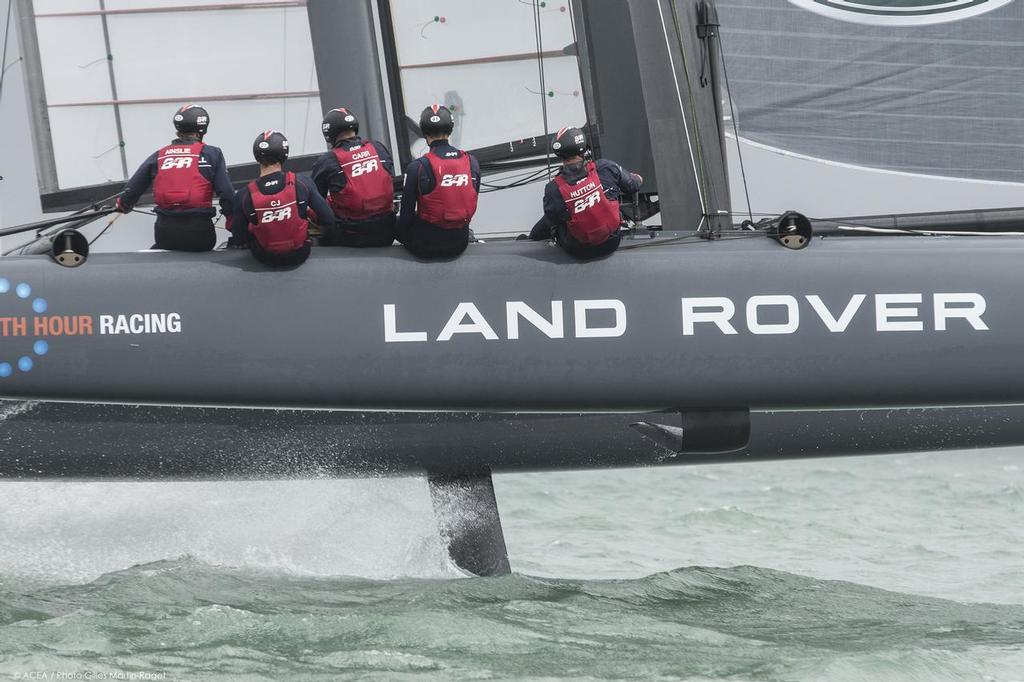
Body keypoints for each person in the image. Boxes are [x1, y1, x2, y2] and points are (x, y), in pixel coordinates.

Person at [115, 104, 235, 251]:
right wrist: (234, 226)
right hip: (200, 235)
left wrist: (123, 206)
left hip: (165, 234)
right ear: (203, 129)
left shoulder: (159, 155)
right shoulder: (212, 154)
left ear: (178, 129)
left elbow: (131, 190)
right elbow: (227, 194)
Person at [530, 126, 642, 260]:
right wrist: (638, 178)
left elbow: (552, 220)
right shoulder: (605, 168)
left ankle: (529, 241)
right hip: (611, 243)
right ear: (583, 147)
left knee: (552, 217)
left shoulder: (553, 188)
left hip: (578, 251)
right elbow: (633, 186)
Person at [229, 131, 335, 267]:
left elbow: (239, 238)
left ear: (256, 156)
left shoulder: (243, 195)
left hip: (264, 257)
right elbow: (328, 219)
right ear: (284, 154)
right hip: (299, 254)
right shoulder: (302, 183)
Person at [397, 104, 481, 259]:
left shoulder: (417, 167)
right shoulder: (472, 162)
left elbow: (406, 216)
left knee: (391, 220)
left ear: (423, 131)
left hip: (426, 246)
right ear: (450, 129)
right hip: (460, 243)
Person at [311, 107, 397, 247]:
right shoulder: (378, 147)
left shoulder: (327, 160)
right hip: (388, 230)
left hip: (353, 237)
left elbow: (315, 202)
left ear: (329, 134)